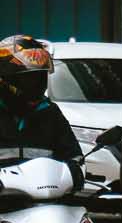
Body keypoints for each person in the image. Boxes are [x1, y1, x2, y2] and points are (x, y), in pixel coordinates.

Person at [0, 36, 84, 179]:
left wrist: (75, 171)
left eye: (39, 77)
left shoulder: (50, 112)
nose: (36, 84)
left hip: (45, 195)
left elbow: (73, 154)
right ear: (6, 78)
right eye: (28, 78)